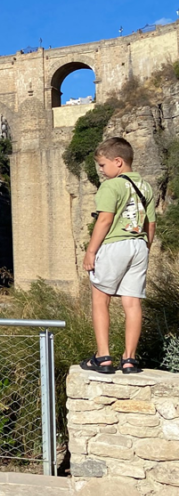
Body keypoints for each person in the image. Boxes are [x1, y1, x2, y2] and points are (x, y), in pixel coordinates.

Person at [81, 137, 156, 375]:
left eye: (103, 165)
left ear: (118, 161)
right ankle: (129, 359)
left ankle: (103, 357)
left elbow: (105, 219)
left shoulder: (111, 186)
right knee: (132, 303)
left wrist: (90, 251)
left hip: (115, 245)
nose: (101, 171)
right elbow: (150, 224)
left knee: (100, 298)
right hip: (139, 245)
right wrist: (146, 248)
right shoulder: (146, 187)